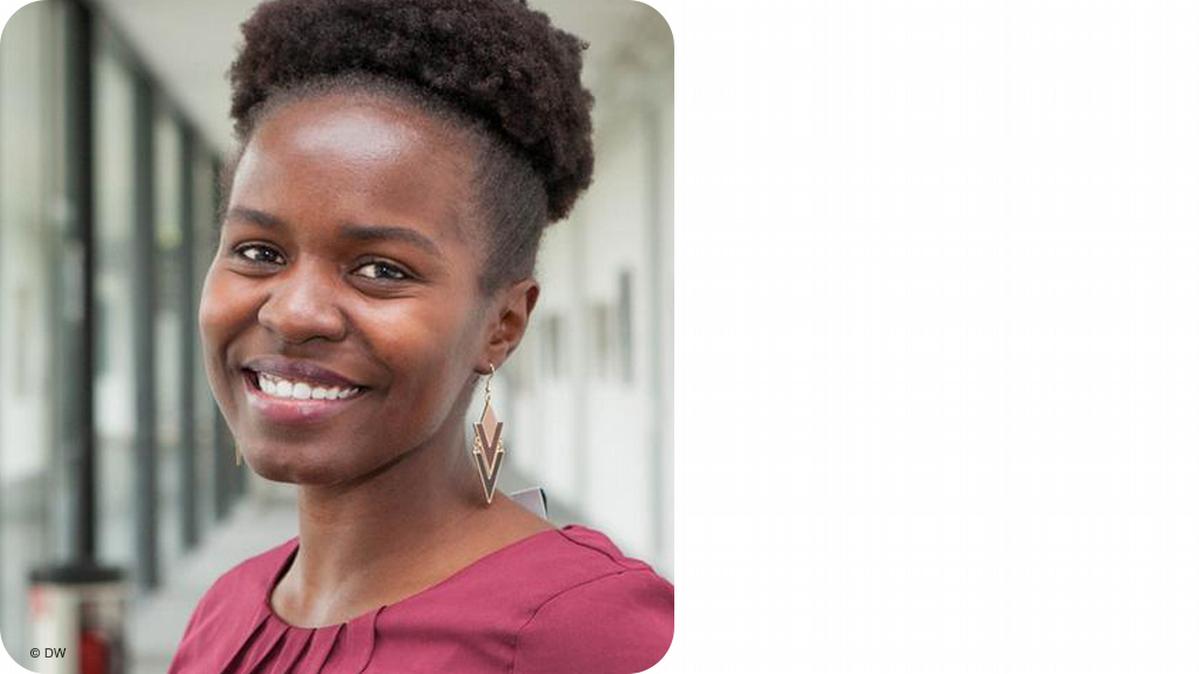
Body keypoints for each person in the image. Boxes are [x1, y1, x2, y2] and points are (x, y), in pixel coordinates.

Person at [166, 0, 673, 672]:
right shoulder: (225, 608)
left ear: (502, 326)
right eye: (259, 252)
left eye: (381, 269)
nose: (293, 314)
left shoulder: (590, 632)